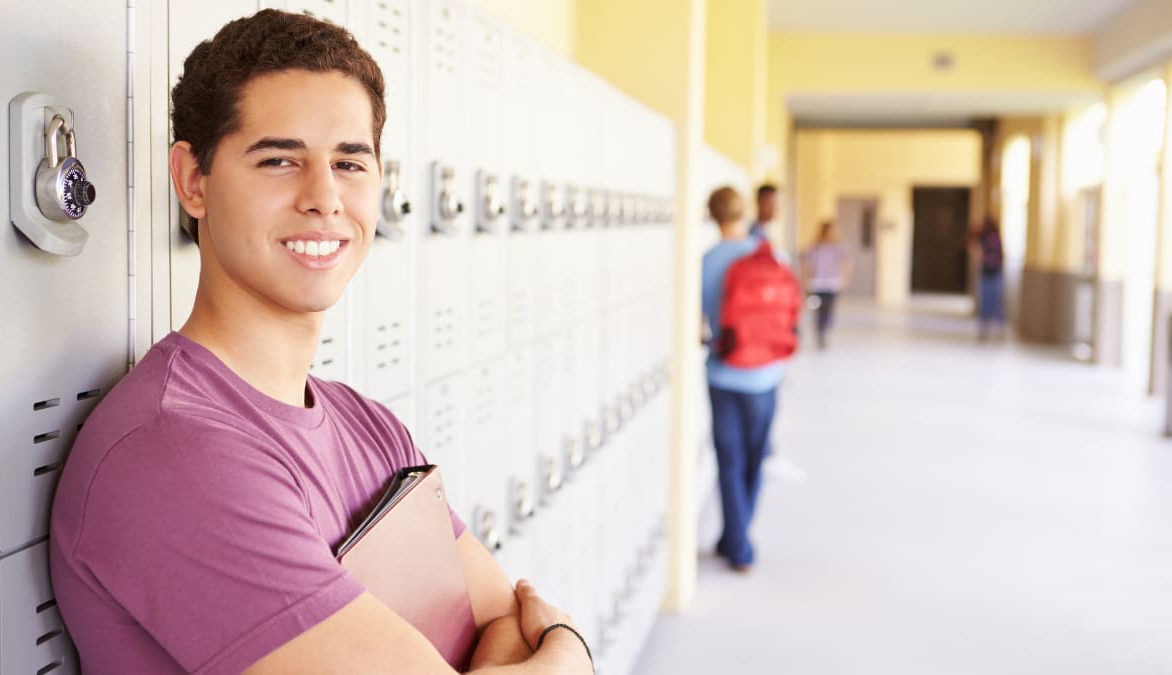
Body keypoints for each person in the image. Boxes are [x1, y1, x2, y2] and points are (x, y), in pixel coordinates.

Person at [48, 10, 592, 675]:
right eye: (279, 159)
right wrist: (569, 649)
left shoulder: (373, 431)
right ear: (194, 181)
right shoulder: (171, 452)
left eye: (350, 162)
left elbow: (505, 619)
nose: (325, 197)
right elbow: (525, 628)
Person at [702, 187, 797, 573]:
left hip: (723, 375)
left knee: (729, 460)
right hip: (766, 376)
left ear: (711, 216)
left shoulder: (707, 260)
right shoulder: (771, 254)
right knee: (755, 460)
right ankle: (738, 539)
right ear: (744, 213)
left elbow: (702, 322)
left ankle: (736, 543)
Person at [800, 221, 851, 349]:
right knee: (818, 309)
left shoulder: (838, 247)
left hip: (832, 283)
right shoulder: (815, 247)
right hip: (817, 283)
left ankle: (824, 330)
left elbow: (846, 264)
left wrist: (845, 280)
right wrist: (804, 281)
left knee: (829, 309)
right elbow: (807, 265)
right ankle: (820, 331)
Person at [968, 218, 1006, 341]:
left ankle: (984, 331)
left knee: (985, 303)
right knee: (996, 303)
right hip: (996, 274)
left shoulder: (983, 239)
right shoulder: (998, 239)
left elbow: (977, 256)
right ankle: (1000, 330)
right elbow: (1001, 257)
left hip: (986, 274)